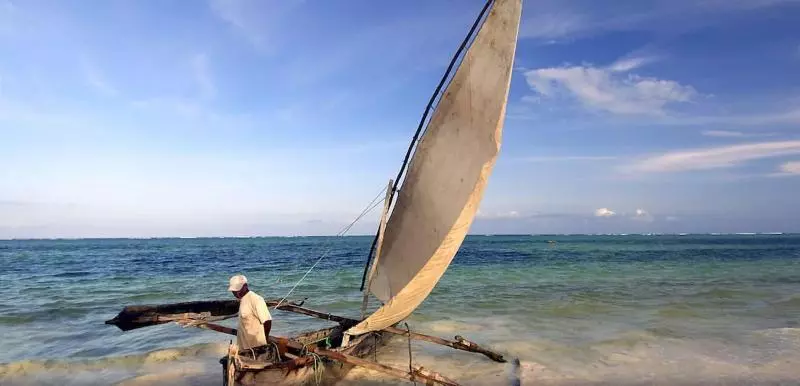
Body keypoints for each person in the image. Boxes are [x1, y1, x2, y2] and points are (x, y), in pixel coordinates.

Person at [228, 274, 273, 358]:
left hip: (256, 349)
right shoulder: (242, 299)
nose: (236, 293)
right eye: (234, 291)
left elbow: (267, 321)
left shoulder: (256, 299)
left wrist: (265, 342)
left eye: (238, 289)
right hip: (244, 348)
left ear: (245, 286)